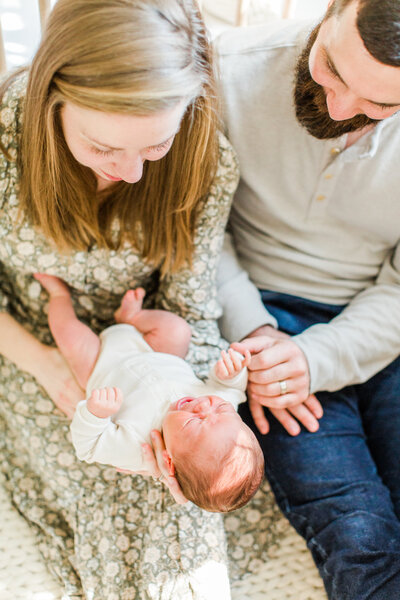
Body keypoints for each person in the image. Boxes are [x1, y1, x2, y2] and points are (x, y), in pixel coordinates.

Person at [0, 0, 255, 597]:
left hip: (149, 335)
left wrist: (200, 405)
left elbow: (191, 304)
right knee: (102, 483)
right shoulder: (5, 150)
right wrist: (45, 365)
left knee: (186, 495)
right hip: (29, 335)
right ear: (49, 95)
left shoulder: (205, 160)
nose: (134, 174)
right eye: (103, 147)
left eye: (154, 146)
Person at [214, 0, 400, 598]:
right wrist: (254, 334)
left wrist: (319, 359)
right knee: (357, 537)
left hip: (382, 319)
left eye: (382, 105)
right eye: (333, 69)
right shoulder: (225, 72)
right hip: (263, 319)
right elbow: (192, 235)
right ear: (333, 9)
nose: (342, 109)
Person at [34, 273, 264, 513]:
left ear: (168, 461)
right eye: (222, 408)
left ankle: (59, 296)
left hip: (99, 364)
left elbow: (88, 448)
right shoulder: (221, 413)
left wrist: (95, 414)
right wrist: (231, 374)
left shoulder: (136, 448)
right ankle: (132, 317)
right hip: (154, 350)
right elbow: (230, 390)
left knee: (69, 336)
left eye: (194, 422)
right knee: (177, 330)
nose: (203, 406)